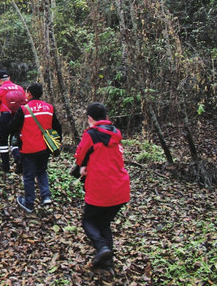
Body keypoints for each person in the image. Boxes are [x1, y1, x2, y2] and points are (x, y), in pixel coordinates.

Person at [75, 102, 130, 269]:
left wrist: (82, 165)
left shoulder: (91, 134)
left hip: (101, 188)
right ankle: (107, 261)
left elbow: (80, 155)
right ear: (106, 117)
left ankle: (102, 247)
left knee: (88, 222)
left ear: (90, 118)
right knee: (104, 223)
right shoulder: (115, 132)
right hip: (121, 188)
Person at [8, 82, 62, 213]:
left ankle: (29, 203)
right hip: (45, 148)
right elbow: (57, 127)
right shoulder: (49, 108)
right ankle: (46, 196)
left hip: (28, 148)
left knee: (28, 175)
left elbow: (12, 127)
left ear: (29, 94)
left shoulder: (23, 109)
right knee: (42, 171)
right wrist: (57, 142)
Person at [0, 70, 26, 172]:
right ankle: (19, 161)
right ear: (9, 78)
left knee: (3, 142)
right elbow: (25, 104)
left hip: (5, 117)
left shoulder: (0, 90)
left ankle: (6, 167)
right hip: (19, 117)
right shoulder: (19, 88)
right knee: (15, 141)